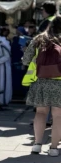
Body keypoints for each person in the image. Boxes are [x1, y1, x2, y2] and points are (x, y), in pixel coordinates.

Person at [22, 16, 61, 155]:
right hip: (59, 83)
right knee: (58, 116)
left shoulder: (39, 39)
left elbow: (26, 60)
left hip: (40, 81)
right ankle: (54, 148)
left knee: (40, 113)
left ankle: (37, 145)